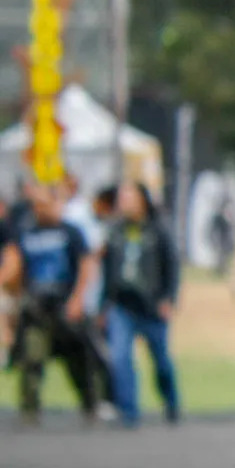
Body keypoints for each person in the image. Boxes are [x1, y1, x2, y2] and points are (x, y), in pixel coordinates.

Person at [0, 180, 101, 424]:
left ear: (56, 203)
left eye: (44, 204)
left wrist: (78, 299)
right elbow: (17, 266)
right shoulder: (26, 233)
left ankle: (90, 404)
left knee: (78, 359)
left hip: (66, 306)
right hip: (36, 307)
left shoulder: (70, 232)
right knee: (32, 358)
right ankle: (29, 410)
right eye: (36, 205)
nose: (39, 209)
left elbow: (86, 266)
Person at [101, 181, 182, 426]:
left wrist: (169, 298)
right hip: (122, 305)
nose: (123, 202)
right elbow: (107, 269)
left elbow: (172, 265)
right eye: (121, 197)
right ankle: (128, 411)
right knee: (120, 357)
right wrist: (104, 304)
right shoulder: (115, 231)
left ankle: (171, 402)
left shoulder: (158, 230)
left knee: (161, 361)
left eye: (129, 197)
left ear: (142, 200)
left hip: (151, 305)